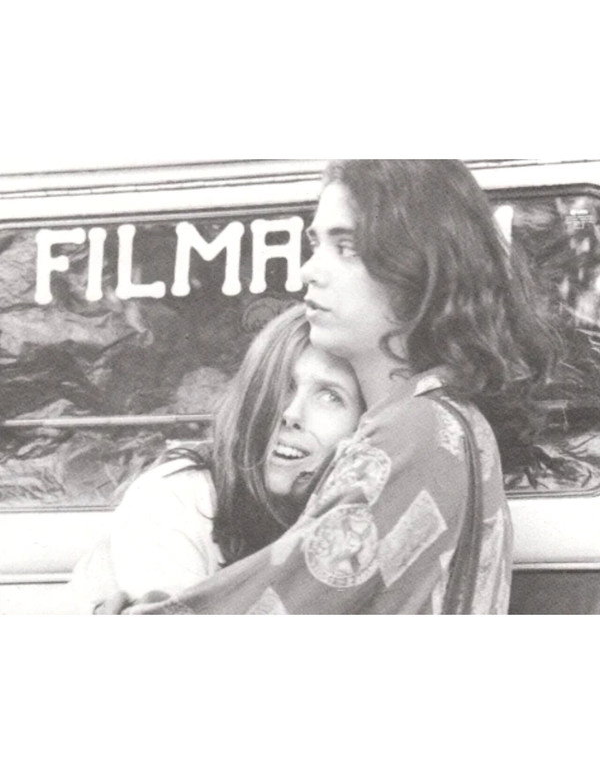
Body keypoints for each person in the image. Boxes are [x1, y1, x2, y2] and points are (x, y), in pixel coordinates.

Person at [98, 160, 562, 615]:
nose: (309, 270)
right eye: (316, 243)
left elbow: (274, 610)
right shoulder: (443, 418)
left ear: (421, 272)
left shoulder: (413, 431)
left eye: (348, 248)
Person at [71, 303, 364, 612]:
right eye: (282, 385)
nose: (291, 413)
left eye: (330, 396)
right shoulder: (176, 495)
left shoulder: (360, 514)